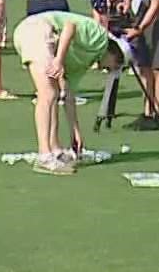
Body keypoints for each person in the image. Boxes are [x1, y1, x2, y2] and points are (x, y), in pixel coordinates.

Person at [10, 10, 125, 175]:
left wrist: (75, 132)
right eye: (116, 64)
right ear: (115, 53)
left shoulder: (86, 59)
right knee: (47, 94)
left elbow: (68, 95)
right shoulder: (100, 38)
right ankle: (44, 156)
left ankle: (54, 150)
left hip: (37, 35)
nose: (110, 69)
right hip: (36, 30)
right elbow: (70, 27)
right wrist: (58, 60)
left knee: (54, 93)